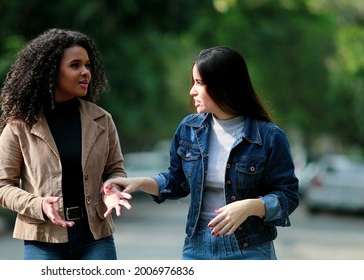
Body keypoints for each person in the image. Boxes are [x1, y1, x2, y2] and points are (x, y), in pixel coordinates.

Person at [104, 46, 299, 260]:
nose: (192, 91)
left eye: (199, 83)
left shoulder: (269, 136)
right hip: (197, 247)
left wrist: (252, 206)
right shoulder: (189, 129)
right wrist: (139, 182)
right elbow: (177, 181)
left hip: (248, 248)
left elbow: (287, 196)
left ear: (223, 86)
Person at [0, 28, 131, 260]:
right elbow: (1, 186)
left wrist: (113, 189)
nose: (86, 72)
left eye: (87, 65)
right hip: (43, 240)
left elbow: (115, 170)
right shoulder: (19, 126)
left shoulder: (102, 120)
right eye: (75, 65)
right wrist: (39, 205)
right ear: (50, 71)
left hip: (95, 237)